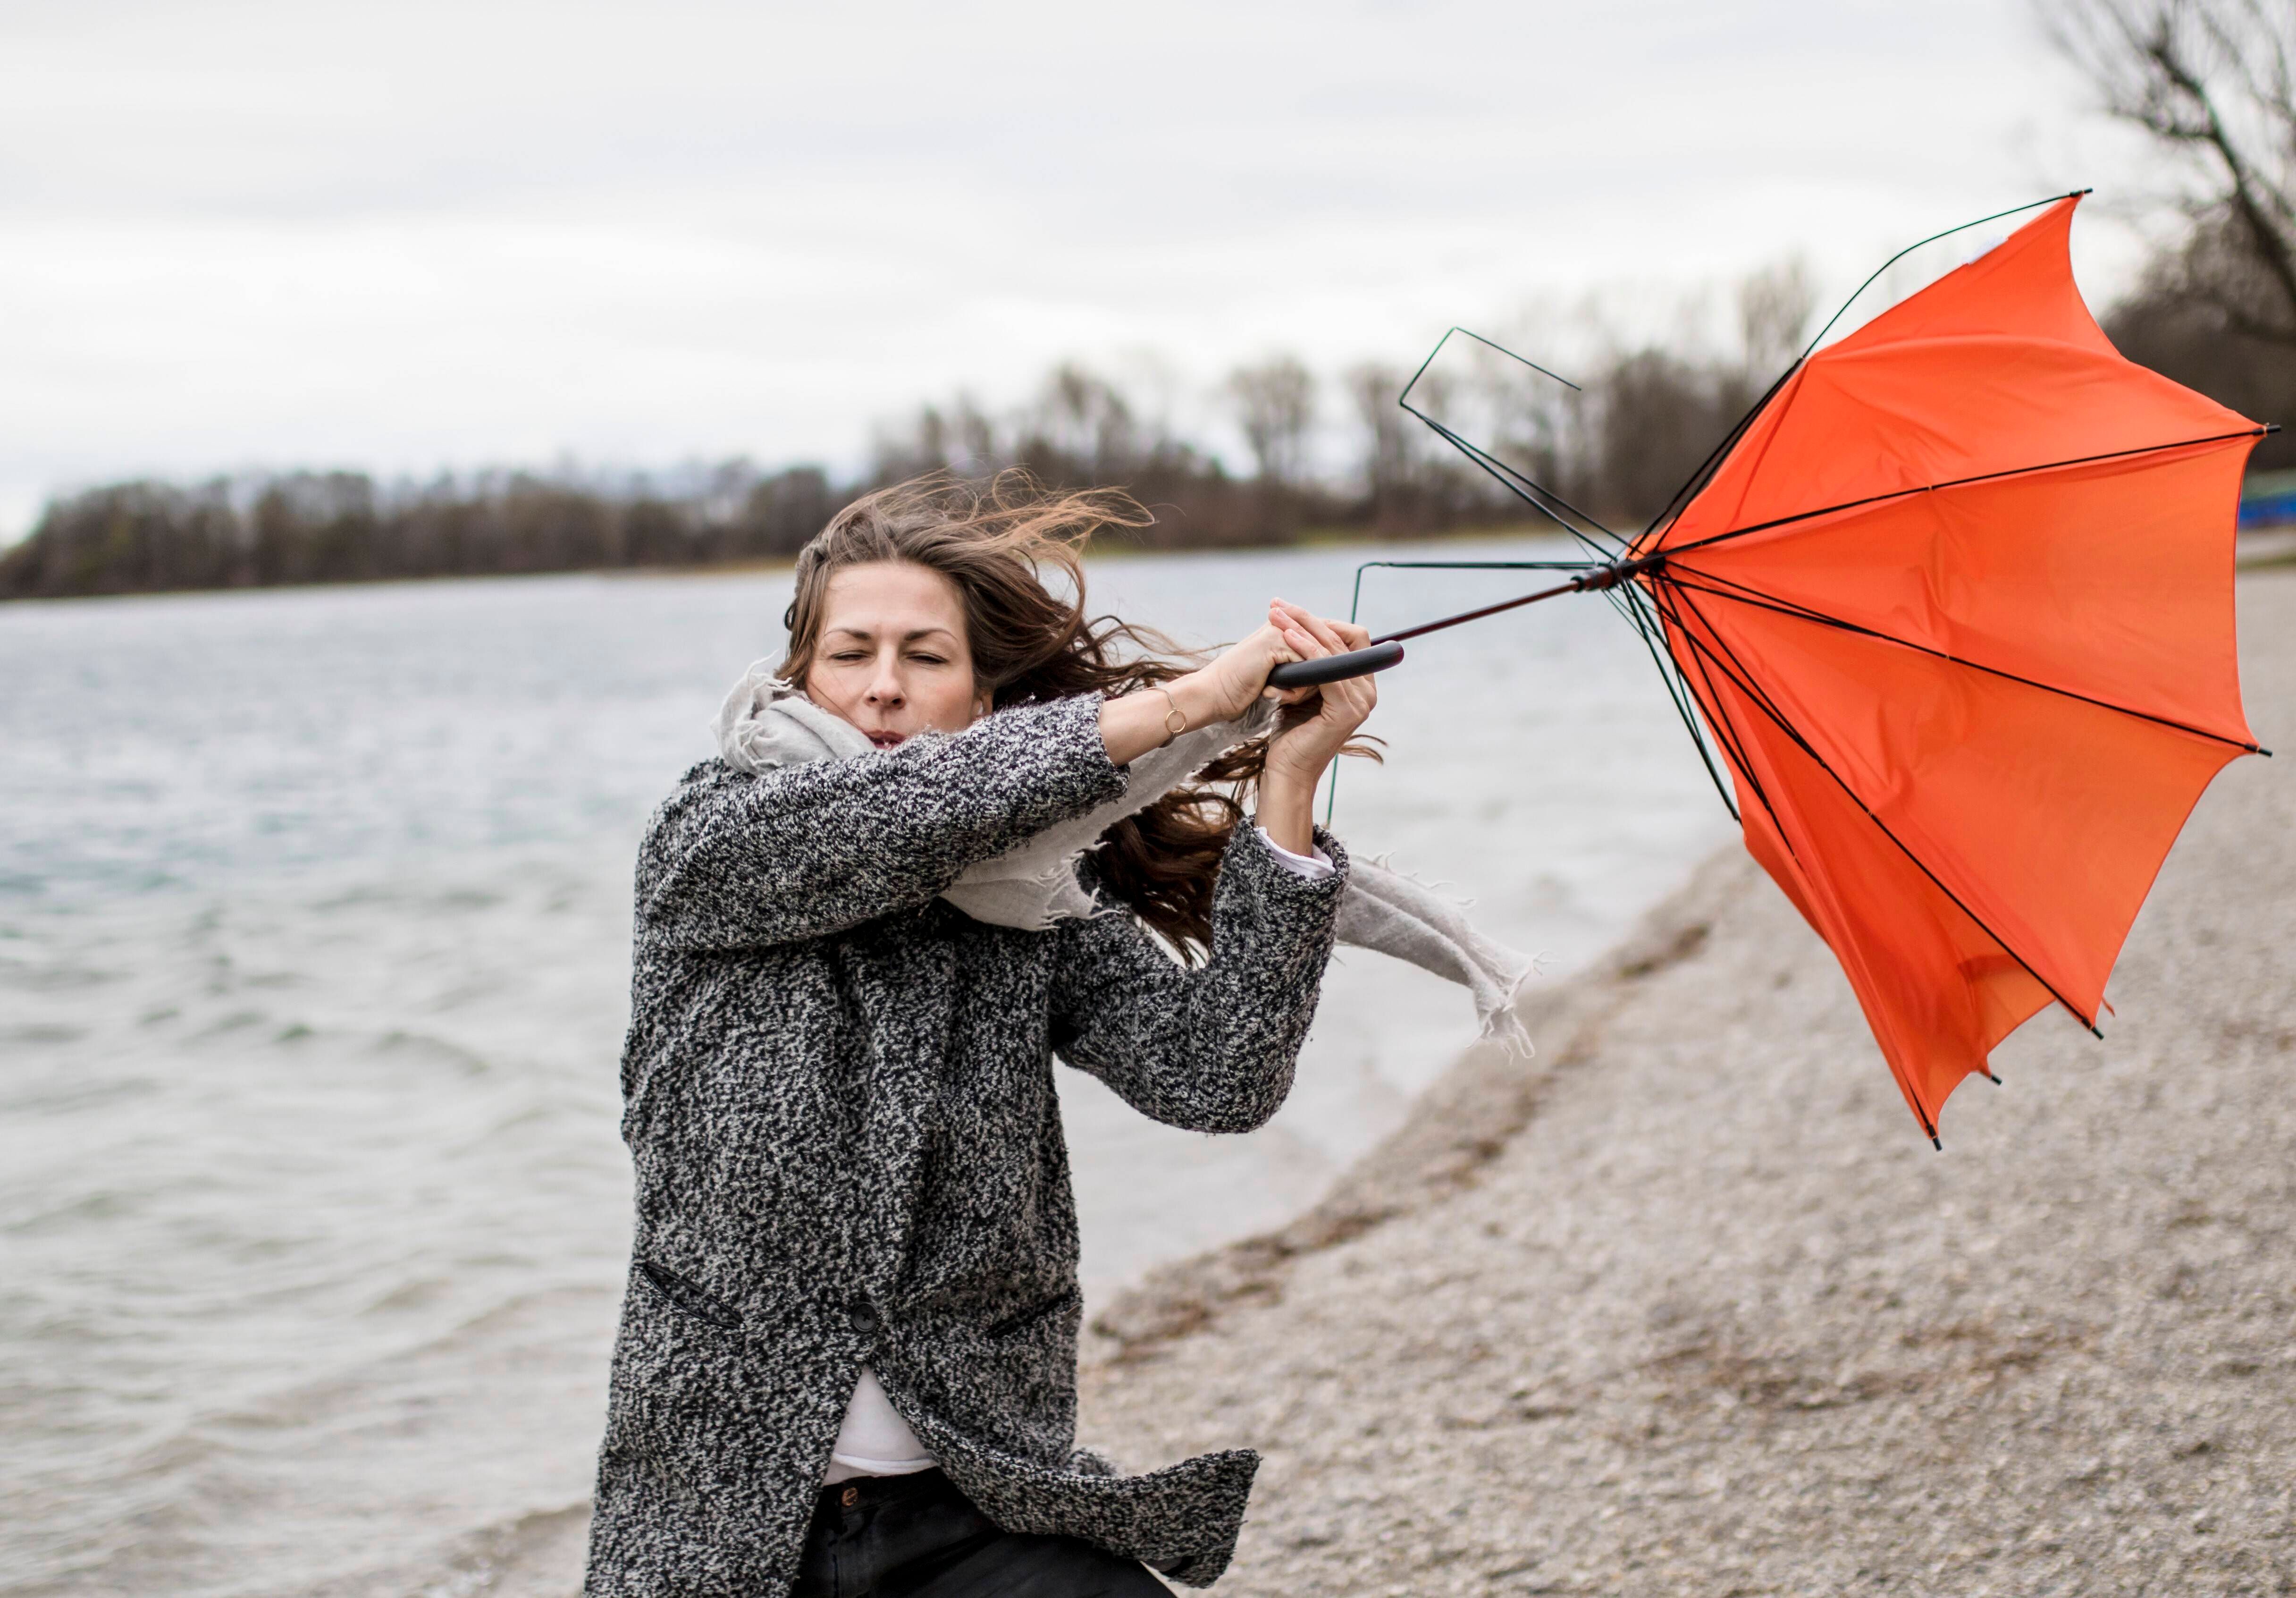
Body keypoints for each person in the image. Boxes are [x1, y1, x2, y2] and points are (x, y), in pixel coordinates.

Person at [582, 474, 1376, 1598]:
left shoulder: (1040, 892)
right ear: (797, 672)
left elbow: (1218, 1075)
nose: (884, 689)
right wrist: (1187, 706)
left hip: (980, 1496)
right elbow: (897, 816)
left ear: (985, 694)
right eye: (850, 652)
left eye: (926, 656)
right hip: (725, 1518)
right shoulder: (715, 835)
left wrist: (1287, 788)